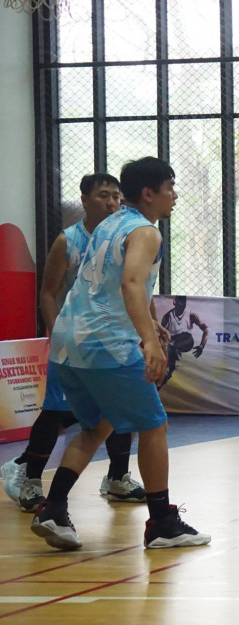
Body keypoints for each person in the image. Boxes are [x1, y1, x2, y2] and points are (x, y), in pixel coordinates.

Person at [30, 157, 210, 551]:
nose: (175, 196)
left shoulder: (107, 224)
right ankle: (162, 521)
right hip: (106, 343)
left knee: (98, 426)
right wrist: (147, 340)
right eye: (170, 188)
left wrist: (150, 321)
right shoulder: (146, 231)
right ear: (149, 193)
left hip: (68, 341)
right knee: (154, 425)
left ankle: (53, 507)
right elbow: (131, 283)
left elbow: (111, 283)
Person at [1, 174, 151, 511]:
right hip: (73, 340)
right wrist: (56, 335)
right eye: (103, 196)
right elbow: (48, 293)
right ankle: (30, 478)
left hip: (109, 338)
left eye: (116, 197)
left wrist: (150, 324)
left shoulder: (122, 235)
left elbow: (137, 284)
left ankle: (117, 477)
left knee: (117, 408)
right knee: (56, 411)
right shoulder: (68, 240)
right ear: (84, 199)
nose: (112, 203)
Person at [158, 295, 209, 388]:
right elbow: (161, 338)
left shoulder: (191, 315)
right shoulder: (167, 317)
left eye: (183, 303)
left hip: (187, 348)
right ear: (174, 302)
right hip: (170, 348)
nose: (182, 305)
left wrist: (202, 345)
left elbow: (206, 330)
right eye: (179, 302)